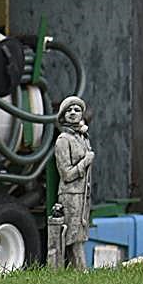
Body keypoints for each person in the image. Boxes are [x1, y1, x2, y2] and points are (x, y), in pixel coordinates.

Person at [51, 95, 94, 270]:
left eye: (77, 110)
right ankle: (81, 271)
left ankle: (77, 271)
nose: (73, 113)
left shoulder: (83, 137)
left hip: (83, 194)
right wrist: (86, 161)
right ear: (63, 116)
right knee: (73, 236)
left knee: (80, 234)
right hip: (70, 194)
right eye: (69, 110)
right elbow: (66, 174)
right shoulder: (63, 140)